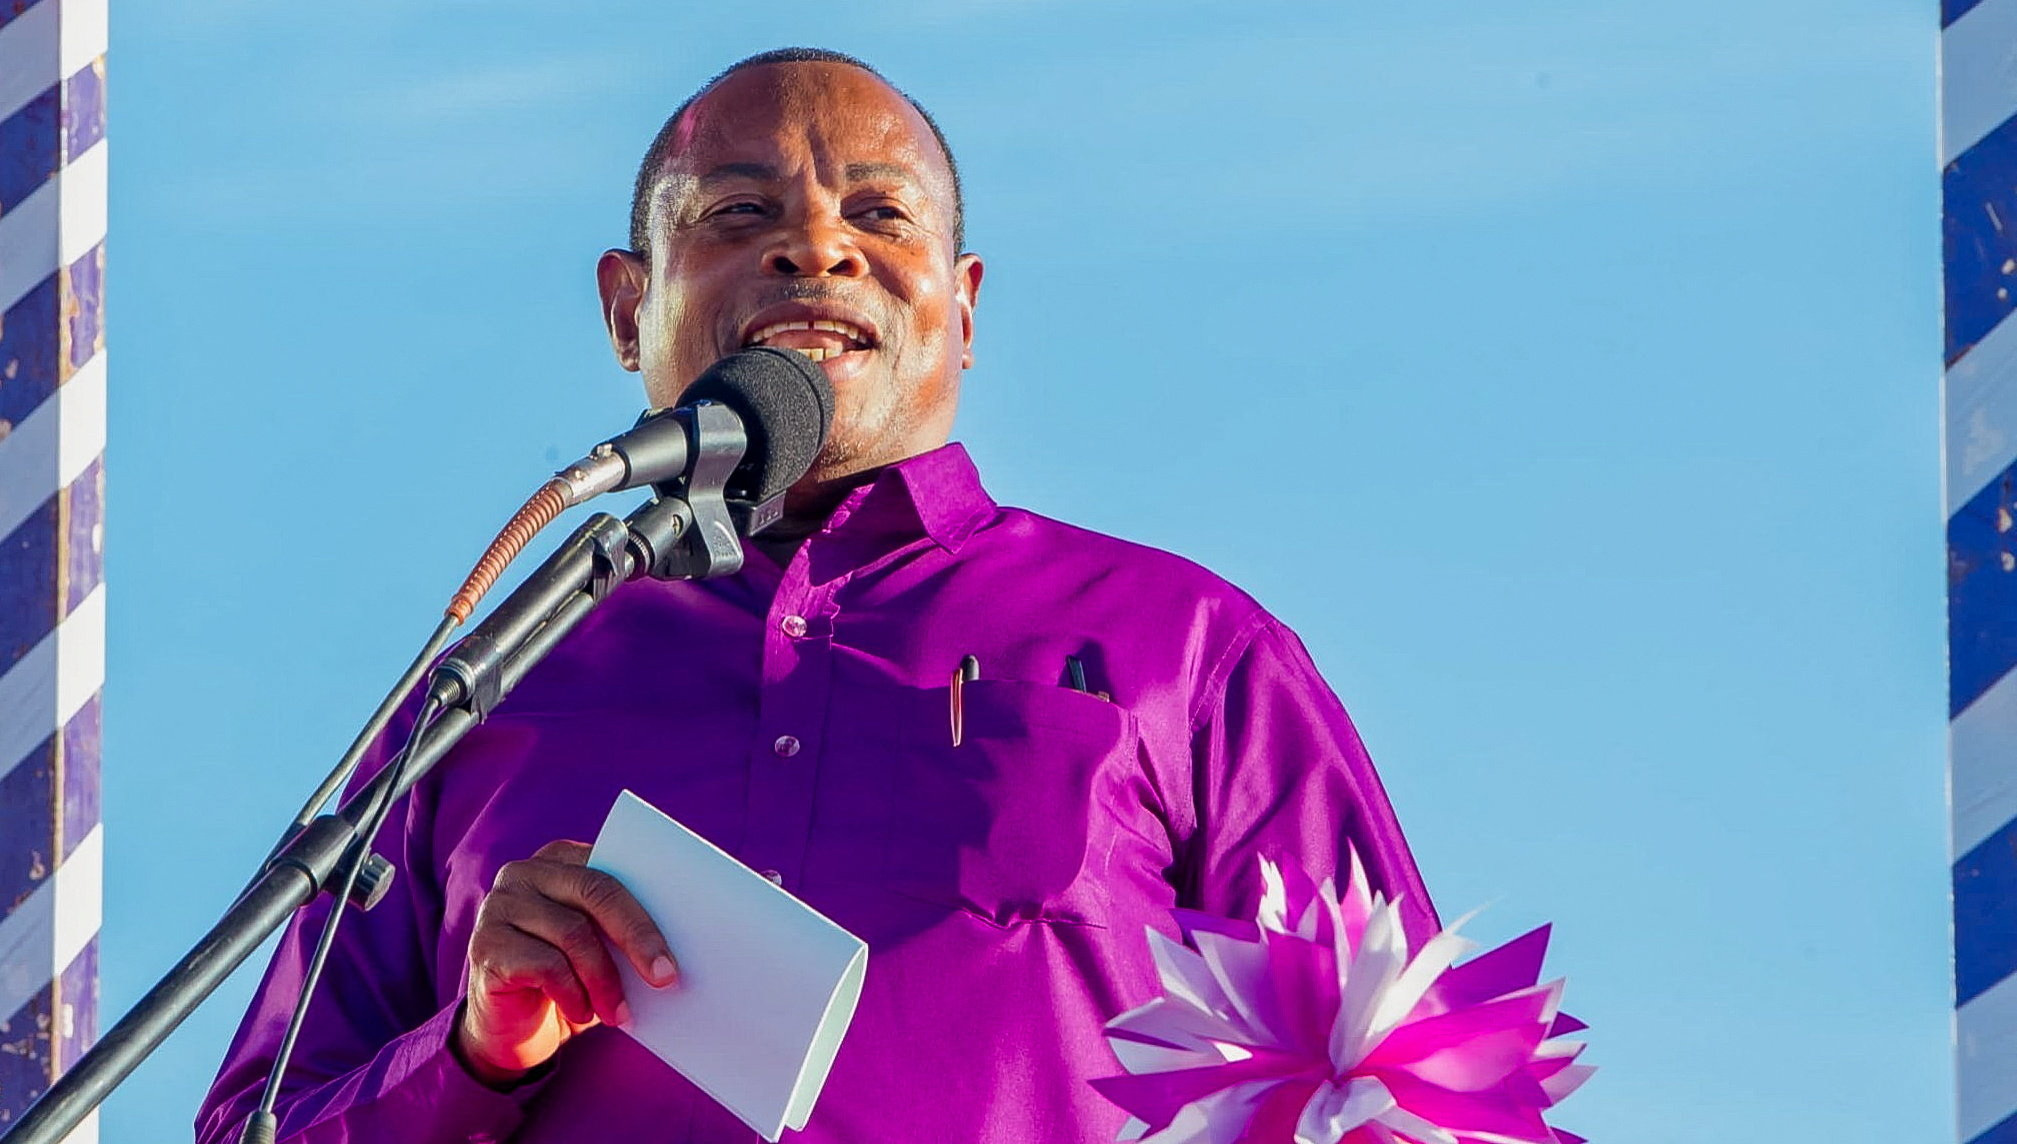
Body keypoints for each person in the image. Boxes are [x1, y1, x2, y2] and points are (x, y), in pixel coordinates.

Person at [197, 48, 1438, 1143]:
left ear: (962, 309)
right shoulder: (500, 679)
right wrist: (469, 1054)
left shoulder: (1181, 648)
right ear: (629, 309)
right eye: (740, 210)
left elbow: (1415, 1089)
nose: (819, 247)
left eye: (883, 214)